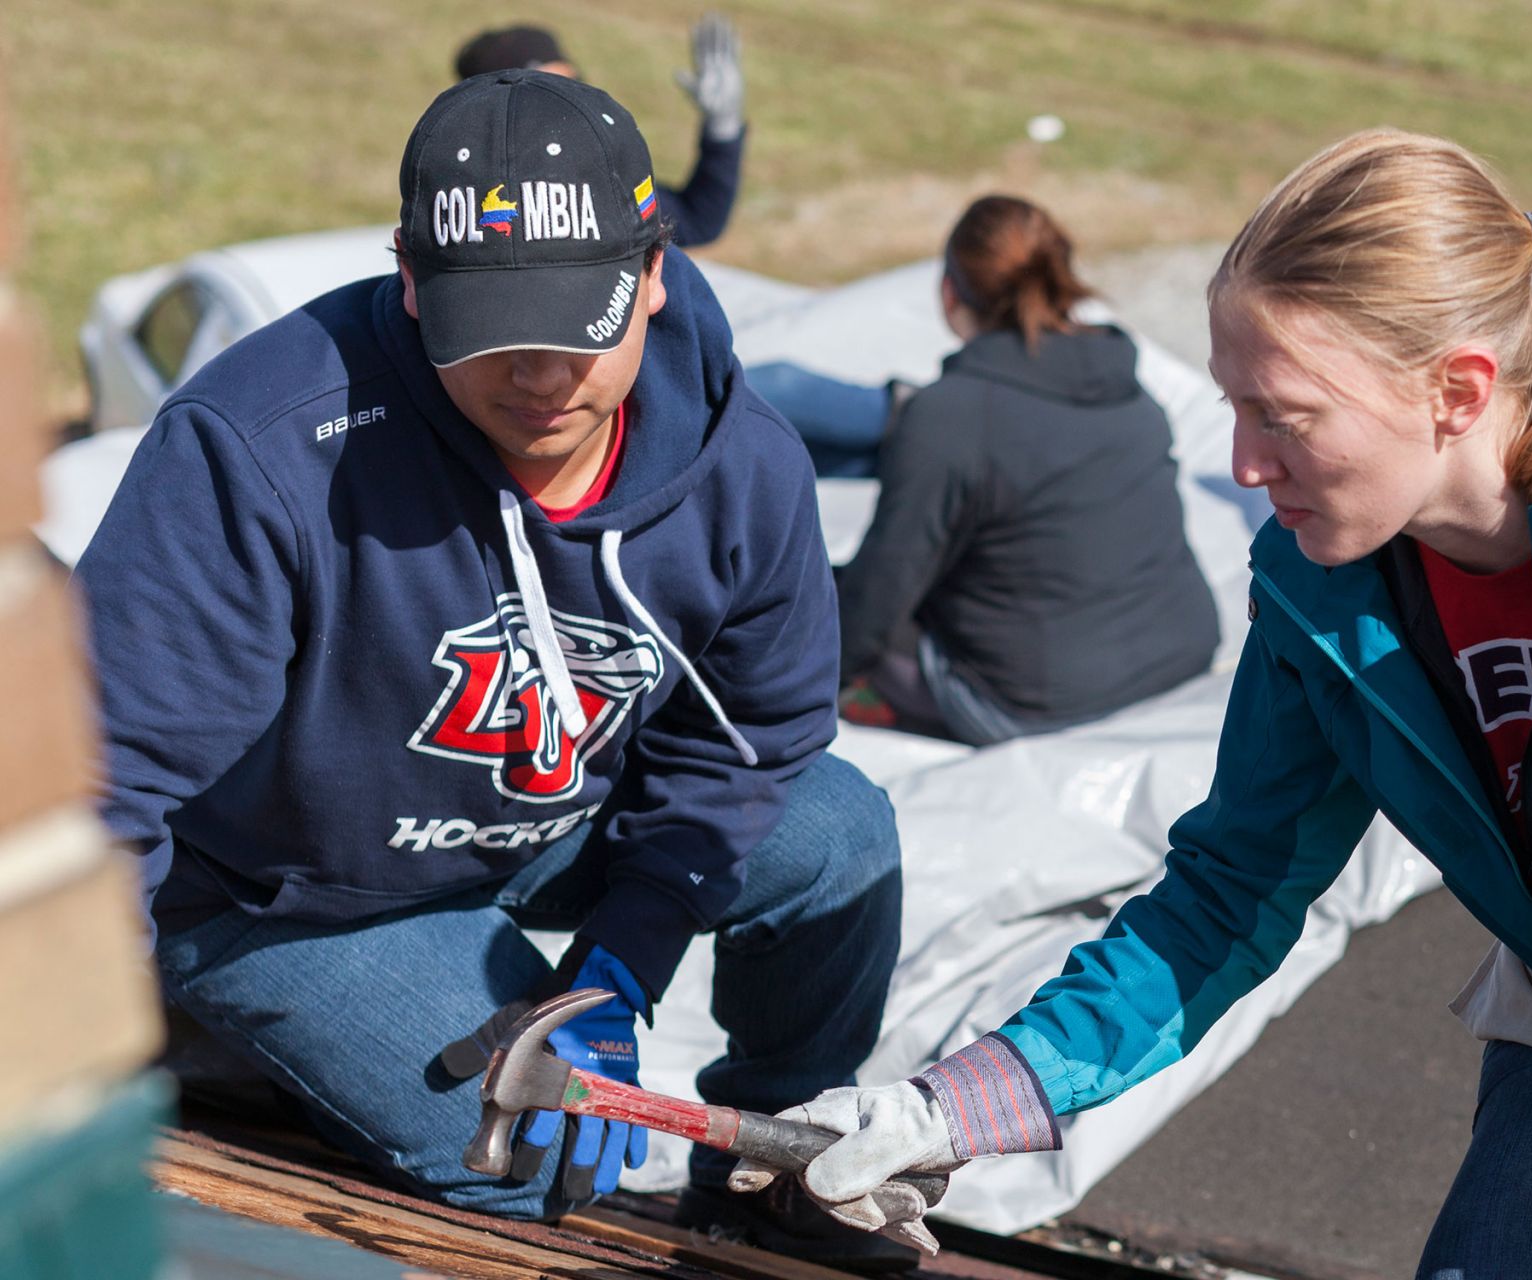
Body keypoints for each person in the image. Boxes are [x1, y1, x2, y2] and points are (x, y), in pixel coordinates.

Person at [736, 129, 1532, 1278]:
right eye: (1235, 408)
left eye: (1285, 417)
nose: (1245, 465)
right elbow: (1224, 900)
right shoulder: (1327, 588)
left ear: (1459, 392)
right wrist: (953, 1108)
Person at [80, 71, 910, 1269]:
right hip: (293, 889)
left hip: (552, 812)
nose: (540, 376)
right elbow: (105, 783)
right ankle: (231, 1038)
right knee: (538, 1173)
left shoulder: (741, 460)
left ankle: (762, 1180)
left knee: (837, 834)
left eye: (579, 326)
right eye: (496, 333)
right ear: (412, 282)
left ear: (653, 273)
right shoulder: (263, 447)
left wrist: (624, 960)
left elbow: (754, 743)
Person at [833, 195, 1220, 745]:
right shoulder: (1129, 389)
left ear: (949, 294)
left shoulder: (952, 417)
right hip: (1181, 655)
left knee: (817, 594)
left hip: (1033, 703)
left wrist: (820, 683)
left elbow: (882, 589)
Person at [455, 15, 749, 248]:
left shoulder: (599, 182)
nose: (568, 101)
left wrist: (722, 126)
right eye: (543, 89)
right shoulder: (467, 202)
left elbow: (697, 221)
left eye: (572, 83)